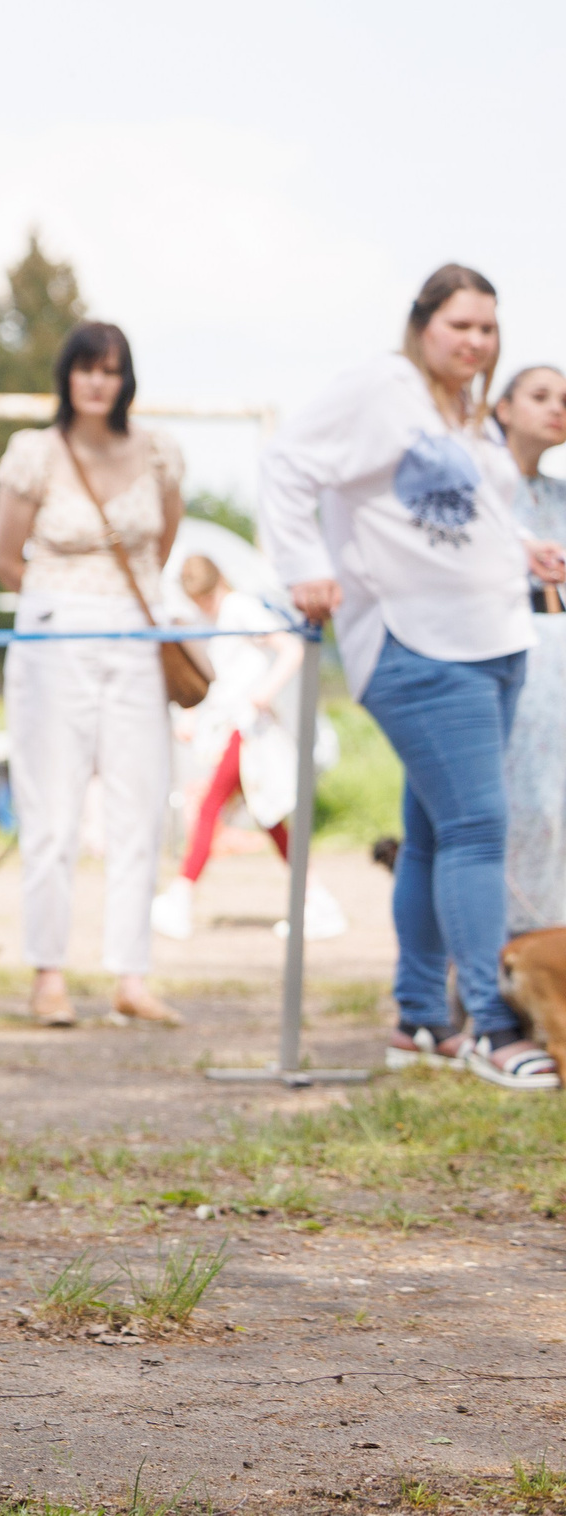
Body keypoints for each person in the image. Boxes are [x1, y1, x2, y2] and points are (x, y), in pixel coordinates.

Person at [261, 264, 566, 1091]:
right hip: (418, 645)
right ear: (422, 323)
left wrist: (524, 552)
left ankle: (421, 1020)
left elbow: (469, 516)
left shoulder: (462, 411)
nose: (476, 341)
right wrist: (305, 564)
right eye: (460, 325)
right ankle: (492, 1028)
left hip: (495, 639)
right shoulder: (382, 389)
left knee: (433, 837)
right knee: (478, 828)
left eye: (488, 328)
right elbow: (286, 464)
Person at [0, 323, 187, 1027]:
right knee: (51, 807)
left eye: (111, 370)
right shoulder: (34, 453)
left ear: (126, 379)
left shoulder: (158, 451)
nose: (98, 382)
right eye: (86, 368)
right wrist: (62, 603)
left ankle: (132, 974)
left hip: (135, 632)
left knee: (141, 804)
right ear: (67, 375)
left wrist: (117, 602)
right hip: (54, 633)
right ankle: (48, 974)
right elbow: (5, 556)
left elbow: (162, 543)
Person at [148, 555, 347, 943]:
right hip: (234, 726)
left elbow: (291, 649)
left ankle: (181, 895)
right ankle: (317, 900)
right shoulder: (216, 617)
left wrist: (263, 693)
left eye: (206, 598)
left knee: (210, 808)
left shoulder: (240, 607)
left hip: (249, 729)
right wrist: (195, 715)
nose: (204, 606)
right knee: (268, 818)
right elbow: (224, 678)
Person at [494, 363, 566, 935]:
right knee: (509, 804)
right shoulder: (482, 492)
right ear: (504, 408)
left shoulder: (559, 497)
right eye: (540, 396)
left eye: (563, 399)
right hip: (500, 655)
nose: (555, 408)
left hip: (556, 665)